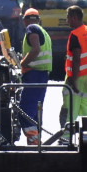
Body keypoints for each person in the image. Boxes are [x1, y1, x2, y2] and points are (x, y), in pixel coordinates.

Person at [18, 8, 52, 145]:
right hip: (41, 75)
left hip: (34, 74)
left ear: (24, 20)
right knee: (36, 109)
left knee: (25, 110)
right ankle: (36, 140)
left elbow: (36, 49)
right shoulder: (44, 31)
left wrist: (22, 63)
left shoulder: (31, 28)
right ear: (39, 19)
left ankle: (33, 140)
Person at [62, 4, 87, 124]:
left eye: (68, 17)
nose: (67, 20)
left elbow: (77, 59)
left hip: (78, 77)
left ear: (74, 17)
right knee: (86, 109)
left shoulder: (75, 35)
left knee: (70, 110)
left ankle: (66, 138)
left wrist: (73, 80)